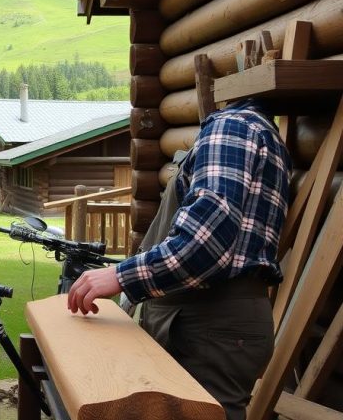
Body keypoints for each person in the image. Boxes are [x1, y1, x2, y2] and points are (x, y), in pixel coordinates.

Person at [67, 97, 290, 420]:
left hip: (210, 325)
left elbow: (206, 242)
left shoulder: (231, 128)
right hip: (217, 324)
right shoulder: (263, 133)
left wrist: (121, 276)